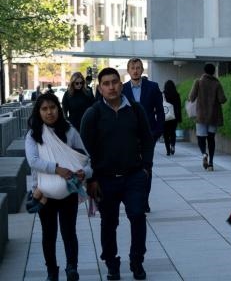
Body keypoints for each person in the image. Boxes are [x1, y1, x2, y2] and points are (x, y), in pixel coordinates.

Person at [80, 68, 154, 281]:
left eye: (115, 82)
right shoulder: (93, 114)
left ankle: (137, 261)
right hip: (104, 179)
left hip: (134, 176)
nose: (111, 87)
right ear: (100, 88)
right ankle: (112, 263)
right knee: (109, 222)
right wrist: (91, 179)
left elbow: (147, 140)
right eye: (106, 83)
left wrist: (146, 167)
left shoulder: (136, 110)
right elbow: (84, 150)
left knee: (138, 216)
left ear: (121, 85)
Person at [26, 92, 92, 281]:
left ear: (59, 108)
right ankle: (51, 272)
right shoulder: (34, 134)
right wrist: (57, 169)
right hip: (44, 193)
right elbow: (33, 161)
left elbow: (86, 159)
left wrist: (84, 173)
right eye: (44, 109)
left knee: (69, 232)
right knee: (49, 234)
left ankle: (72, 268)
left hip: (68, 191)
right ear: (38, 112)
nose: (49, 112)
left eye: (53, 107)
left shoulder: (70, 131)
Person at [124, 59, 164, 212]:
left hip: (149, 134)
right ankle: (136, 198)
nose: (135, 70)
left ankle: (144, 199)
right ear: (128, 70)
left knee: (147, 166)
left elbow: (160, 111)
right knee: (132, 167)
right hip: (129, 135)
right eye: (132, 68)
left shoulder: (152, 87)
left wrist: (158, 131)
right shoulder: (123, 89)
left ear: (142, 70)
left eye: (138, 68)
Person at [188, 63, 227, 171]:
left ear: (204, 71)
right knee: (211, 139)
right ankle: (211, 164)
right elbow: (222, 99)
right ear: (214, 72)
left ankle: (204, 154)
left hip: (201, 116)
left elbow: (191, 97)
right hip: (213, 116)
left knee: (201, 138)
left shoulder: (198, 82)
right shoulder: (217, 83)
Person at [161, 80, 182, 156]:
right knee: (172, 132)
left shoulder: (163, 94)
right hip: (174, 116)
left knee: (165, 134)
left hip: (165, 116)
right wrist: (179, 118)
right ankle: (172, 145)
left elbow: (160, 106)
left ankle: (168, 150)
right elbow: (179, 107)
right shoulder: (176, 94)